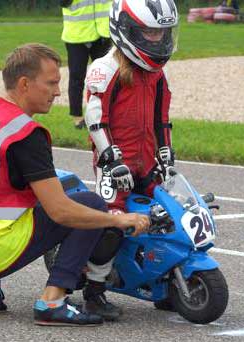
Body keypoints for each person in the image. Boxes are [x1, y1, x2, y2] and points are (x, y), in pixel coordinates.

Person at [0, 44, 149, 327]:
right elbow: (61, 212)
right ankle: (53, 299)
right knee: (89, 204)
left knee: (21, 193)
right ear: (24, 84)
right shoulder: (25, 134)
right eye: (52, 83)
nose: (59, 92)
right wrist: (119, 219)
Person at [82, 0, 179, 316]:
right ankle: (94, 291)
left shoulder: (157, 74)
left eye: (161, 32)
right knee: (113, 222)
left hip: (145, 161)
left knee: (168, 212)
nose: (156, 39)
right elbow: (95, 117)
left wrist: (165, 153)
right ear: (125, 28)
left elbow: (161, 119)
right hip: (115, 165)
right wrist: (110, 158)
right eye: (148, 32)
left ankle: (165, 282)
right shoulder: (105, 68)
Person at [60, 0, 113, 129]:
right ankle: (77, 117)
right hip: (77, 35)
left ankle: (105, 114)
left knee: (106, 77)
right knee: (77, 77)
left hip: (103, 33)